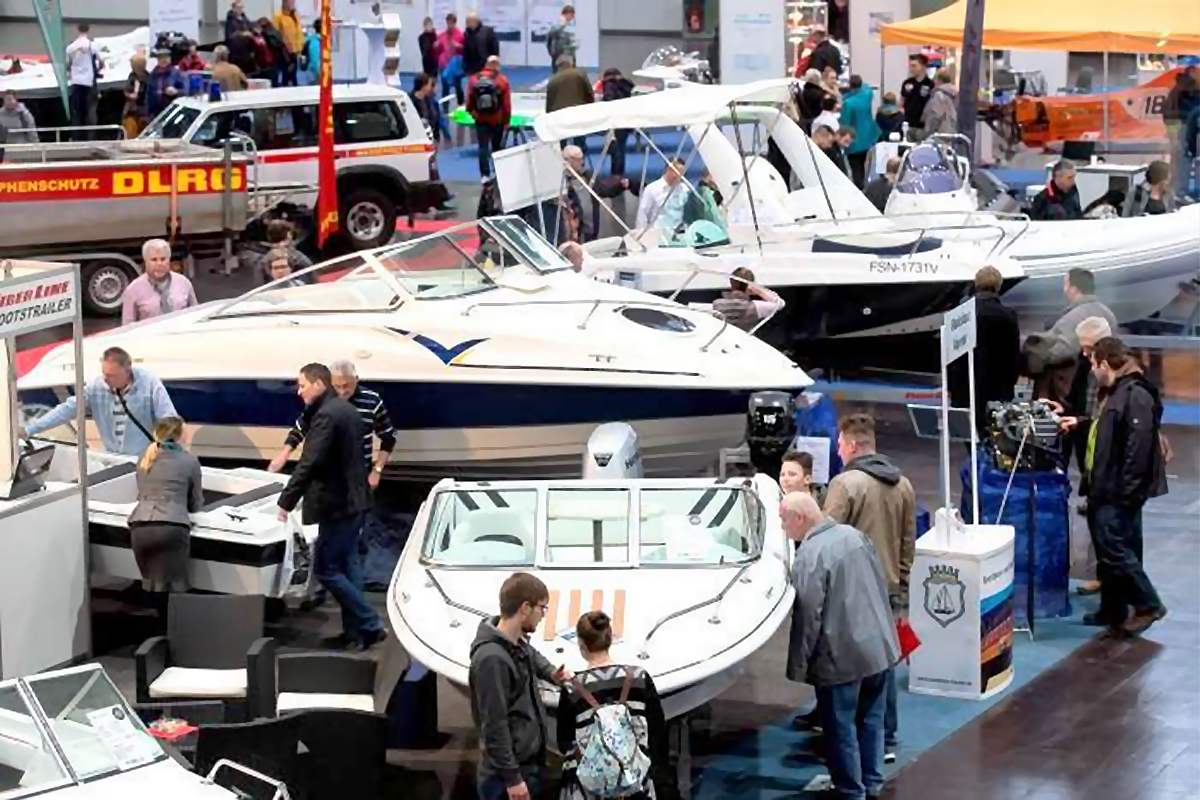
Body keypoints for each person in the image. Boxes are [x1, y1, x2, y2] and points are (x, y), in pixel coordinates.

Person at [782, 492, 900, 800]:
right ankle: (872, 783)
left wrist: (799, 665)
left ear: (800, 518)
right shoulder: (855, 536)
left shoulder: (810, 554)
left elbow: (808, 613)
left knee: (841, 727)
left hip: (841, 657)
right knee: (871, 720)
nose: (783, 529)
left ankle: (850, 791)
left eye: (784, 520)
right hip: (879, 649)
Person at [822, 413, 914, 764]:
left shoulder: (845, 485)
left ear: (850, 445)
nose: (838, 450)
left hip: (852, 593)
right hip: (888, 589)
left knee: (846, 670)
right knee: (885, 667)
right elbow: (907, 544)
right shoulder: (902, 484)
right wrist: (901, 591)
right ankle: (886, 739)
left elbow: (825, 539)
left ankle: (848, 743)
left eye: (840, 444)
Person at [276, 363, 386, 650]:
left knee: (326, 569)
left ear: (318, 384)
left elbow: (310, 462)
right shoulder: (344, 410)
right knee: (348, 568)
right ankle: (356, 633)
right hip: (354, 501)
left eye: (302, 385)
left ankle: (370, 623)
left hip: (338, 504)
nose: (298, 392)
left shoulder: (327, 415)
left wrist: (286, 500)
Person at [1073, 337, 1168, 636]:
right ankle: (1112, 609)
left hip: (1117, 489)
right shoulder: (1114, 393)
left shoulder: (1135, 394)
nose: (1090, 368)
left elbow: (1137, 449)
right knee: (1106, 550)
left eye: (1092, 362)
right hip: (1102, 485)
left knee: (1116, 549)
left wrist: (1127, 491)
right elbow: (1106, 430)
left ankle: (1148, 604)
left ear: (1104, 362)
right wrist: (1078, 422)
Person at [470, 572, 571, 800]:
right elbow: (494, 725)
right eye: (542, 608)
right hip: (506, 779)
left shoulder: (514, 641)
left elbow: (531, 655)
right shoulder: (492, 659)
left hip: (528, 767)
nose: (543, 615)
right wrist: (513, 779)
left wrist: (552, 673)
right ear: (525, 608)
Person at [556, 610, 671, 800]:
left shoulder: (572, 688)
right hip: (636, 786)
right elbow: (658, 732)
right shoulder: (639, 678)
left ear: (581, 644)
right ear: (610, 638)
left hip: (588, 791)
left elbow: (564, 742)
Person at [21, 347, 177, 456]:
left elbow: (169, 419)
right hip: (114, 459)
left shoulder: (149, 383)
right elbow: (66, 410)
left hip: (145, 459)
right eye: (104, 374)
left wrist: (164, 451)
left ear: (127, 369)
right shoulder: (96, 386)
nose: (106, 379)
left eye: (112, 375)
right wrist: (30, 430)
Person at [270, 359, 396, 490]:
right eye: (337, 386)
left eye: (347, 386)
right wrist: (283, 455)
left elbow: (389, 437)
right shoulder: (320, 399)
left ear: (356, 380)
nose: (342, 392)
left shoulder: (372, 401)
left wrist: (377, 471)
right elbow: (300, 429)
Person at [1058, 315, 1113, 597]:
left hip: (1103, 459)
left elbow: (1097, 417)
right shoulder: (1088, 366)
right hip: (1091, 455)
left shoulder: (1104, 374)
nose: (1083, 352)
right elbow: (1083, 405)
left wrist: (1077, 421)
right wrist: (1065, 410)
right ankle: (1101, 575)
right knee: (1096, 513)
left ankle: (1107, 578)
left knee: (1105, 519)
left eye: (1088, 347)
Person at [127, 416, 203, 610]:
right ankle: (173, 632)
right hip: (171, 527)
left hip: (140, 527)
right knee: (175, 588)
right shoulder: (190, 461)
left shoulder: (144, 458)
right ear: (180, 436)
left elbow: (142, 491)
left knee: (151, 587)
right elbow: (196, 503)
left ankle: (153, 634)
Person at [1024, 268, 1117, 404]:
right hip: (1102, 388)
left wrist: (1038, 354)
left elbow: (1062, 352)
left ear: (1073, 289)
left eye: (1066, 284)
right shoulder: (1109, 314)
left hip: (1074, 394)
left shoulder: (1073, 317)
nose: (1064, 289)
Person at [947, 266, 1021, 436]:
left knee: (970, 437)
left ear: (976, 284)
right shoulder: (1008, 315)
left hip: (965, 389)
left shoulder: (961, 315)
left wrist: (952, 385)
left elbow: (953, 355)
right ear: (999, 286)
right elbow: (1013, 356)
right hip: (998, 389)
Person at [122, 239, 198, 325]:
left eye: (163, 259)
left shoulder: (184, 283)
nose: (159, 264)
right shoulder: (133, 290)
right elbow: (127, 327)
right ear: (145, 261)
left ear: (169, 260)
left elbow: (195, 315)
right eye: (154, 260)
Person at [467, 55, 512, 178]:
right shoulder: (502, 80)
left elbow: (469, 102)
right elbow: (506, 105)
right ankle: (498, 172)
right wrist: (507, 120)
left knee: (483, 147)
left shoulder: (473, 80)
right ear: (497, 66)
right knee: (497, 147)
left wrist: (473, 114)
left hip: (480, 119)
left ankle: (484, 175)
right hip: (497, 120)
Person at [713, 267, 784, 332]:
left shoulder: (717, 304)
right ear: (750, 285)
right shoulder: (755, 307)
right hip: (742, 342)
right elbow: (780, 304)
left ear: (731, 282)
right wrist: (758, 290)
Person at [841, 76, 880, 187]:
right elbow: (867, 86)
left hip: (854, 142)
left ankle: (859, 190)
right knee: (864, 167)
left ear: (850, 86)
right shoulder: (867, 95)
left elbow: (845, 124)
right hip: (868, 138)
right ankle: (865, 186)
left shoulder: (848, 103)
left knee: (855, 169)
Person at [635, 159, 687, 232]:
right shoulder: (652, 189)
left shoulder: (684, 189)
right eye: (678, 172)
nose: (680, 176)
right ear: (669, 170)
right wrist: (641, 235)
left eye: (682, 173)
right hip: (658, 235)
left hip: (679, 235)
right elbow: (643, 214)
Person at [599, 68, 634, 176]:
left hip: (614, 121)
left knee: (615, 149)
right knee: (622, 148)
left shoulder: (609, 85)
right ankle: (620, 173)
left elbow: (609, 101)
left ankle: (616, 174)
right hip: (626, 120)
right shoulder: (627, 85)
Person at [66, 24, 98, 135]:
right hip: (89, 81)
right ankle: (90, 137)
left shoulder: (70, 48)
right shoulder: (92, 46)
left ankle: (76, 136)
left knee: (76, 111)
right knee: (90, 110)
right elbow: (101, 62)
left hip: (76, 80)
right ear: (88, 30)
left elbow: (67, 64)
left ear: (77, 30)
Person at [916, 68, 958, 140]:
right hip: (952, 132)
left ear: (939, 80)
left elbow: (935, 116)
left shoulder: (938, 95)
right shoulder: (955, 94)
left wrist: (927, 133)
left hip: (939, 133)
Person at [435, 12, 465, 105]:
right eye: (448, 22)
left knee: (458, 86)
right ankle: (445, 108)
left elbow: (465, 50)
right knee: (445, 87)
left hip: (455, 65)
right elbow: (438, 51)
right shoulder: (442, 35)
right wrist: (436, 46)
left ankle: (461, 106)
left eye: (451, 23)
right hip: (444, 64)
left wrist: (458, 46)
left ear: (455, 23)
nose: (449, 25)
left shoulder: (460, 35)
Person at [900, 54, 933, 138]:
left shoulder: (930, 84)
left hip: (923, 127)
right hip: (908, 125)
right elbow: (902, 101)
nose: (911, 69)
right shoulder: (907, 83)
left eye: (914, 66)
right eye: (910, 66)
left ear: (923, 66)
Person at [146, 48, 185, 119]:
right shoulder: (152, 75)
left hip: (173, 113)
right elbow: (149, 94)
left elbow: (186, 91)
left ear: (170, 59)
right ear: (157, 60)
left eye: (166, 57)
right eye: (161, 58)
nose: (164, 60)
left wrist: (176, 91)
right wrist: (148, 114)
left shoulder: (176, 73)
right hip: (156, 114)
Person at [274, 0, 304, 86]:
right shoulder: (278, 17)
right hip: (285, 51)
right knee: (286, 74)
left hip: (296, 50)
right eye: (290, 2)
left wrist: (301, 47)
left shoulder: (295, 15)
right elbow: (276, 34)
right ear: (284, 3)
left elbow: (299, 32)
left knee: (294, 74)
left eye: (293, 2)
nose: (292, 4)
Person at [412, 72, 449, 143]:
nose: (430, 87)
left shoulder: (432, 102)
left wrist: (436, 137)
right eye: (429, 84)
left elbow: (436, 120)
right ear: (424, 86)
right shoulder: (410, 101)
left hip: (430, 138)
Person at [463, 11, 500, 77]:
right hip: (473, 68)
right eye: (466, 21)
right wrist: (466, 67)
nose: (466, 23)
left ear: (475, 21)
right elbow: (466, 52)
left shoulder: (488, 31)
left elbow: (495, 48)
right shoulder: (466, 34)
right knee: (474, 86)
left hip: (487, 67)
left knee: (488, 85)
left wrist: (494, 62)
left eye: (468, 21)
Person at [298, 22, 321, 86]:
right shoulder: (315, 42)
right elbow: (315, 61)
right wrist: (319, 75)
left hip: (309, 74)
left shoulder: (311, 39)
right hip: (313, 75)